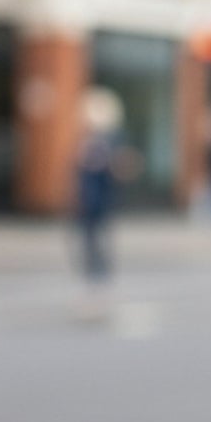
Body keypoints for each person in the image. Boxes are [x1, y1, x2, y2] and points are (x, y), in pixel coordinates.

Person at [73, 87, 126, 309]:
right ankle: (94, 289)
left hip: (100, 204)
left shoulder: (108, 142)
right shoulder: (88, 141)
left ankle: (99, 291)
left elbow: (119, 171)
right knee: (88, 247)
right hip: (86, 205)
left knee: (98, 247)